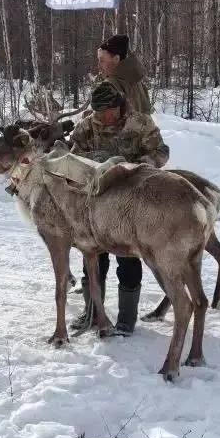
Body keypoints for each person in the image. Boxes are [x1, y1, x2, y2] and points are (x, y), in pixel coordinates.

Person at [69, 82, 169, 336]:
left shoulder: (140, 122)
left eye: (107, 112)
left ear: (118, 106)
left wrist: (136, 166)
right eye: (99, 112)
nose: (103, 117)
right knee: (93, 259)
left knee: (128, 258)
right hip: (95, 203)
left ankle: (126, 318)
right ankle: (92, 311)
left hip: (129, 204)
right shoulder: (86, 126)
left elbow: (161, 151)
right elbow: (73, 159)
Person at [96, 34, 152, 115]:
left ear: (116, 59)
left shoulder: (111, 86)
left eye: (102, 60)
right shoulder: (137, 82)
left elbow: (98, 122)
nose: (98, 65)